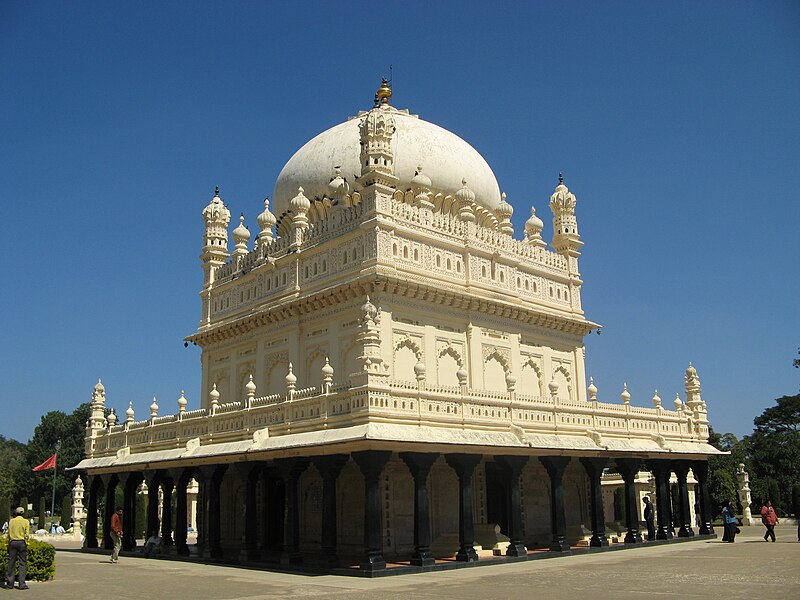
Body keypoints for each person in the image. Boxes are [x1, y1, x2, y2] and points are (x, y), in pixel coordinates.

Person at [4, 507, 30, 590]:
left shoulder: (11, 521)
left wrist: (7, 543)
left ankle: (10, 583)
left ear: (15, 513)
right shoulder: (26, 521)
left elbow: (9, 533)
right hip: (21, 542)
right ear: (23, 513)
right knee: (22, 563)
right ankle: (22, 583)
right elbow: (27, 534)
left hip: (13, 542)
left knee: (11, 563)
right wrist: (27, 542)